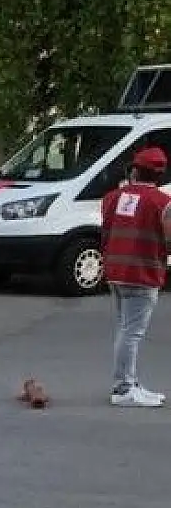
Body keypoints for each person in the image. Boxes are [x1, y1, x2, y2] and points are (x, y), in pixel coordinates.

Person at [101, 146, 171, 407]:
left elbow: (106, 231)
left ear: (134, 169)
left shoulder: (112, 197)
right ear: (159, 174)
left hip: (115, 271)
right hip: (143, 272)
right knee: (132, 333)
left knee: (125, 329)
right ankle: (123, 388)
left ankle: (130, 381)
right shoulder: (162, 203)